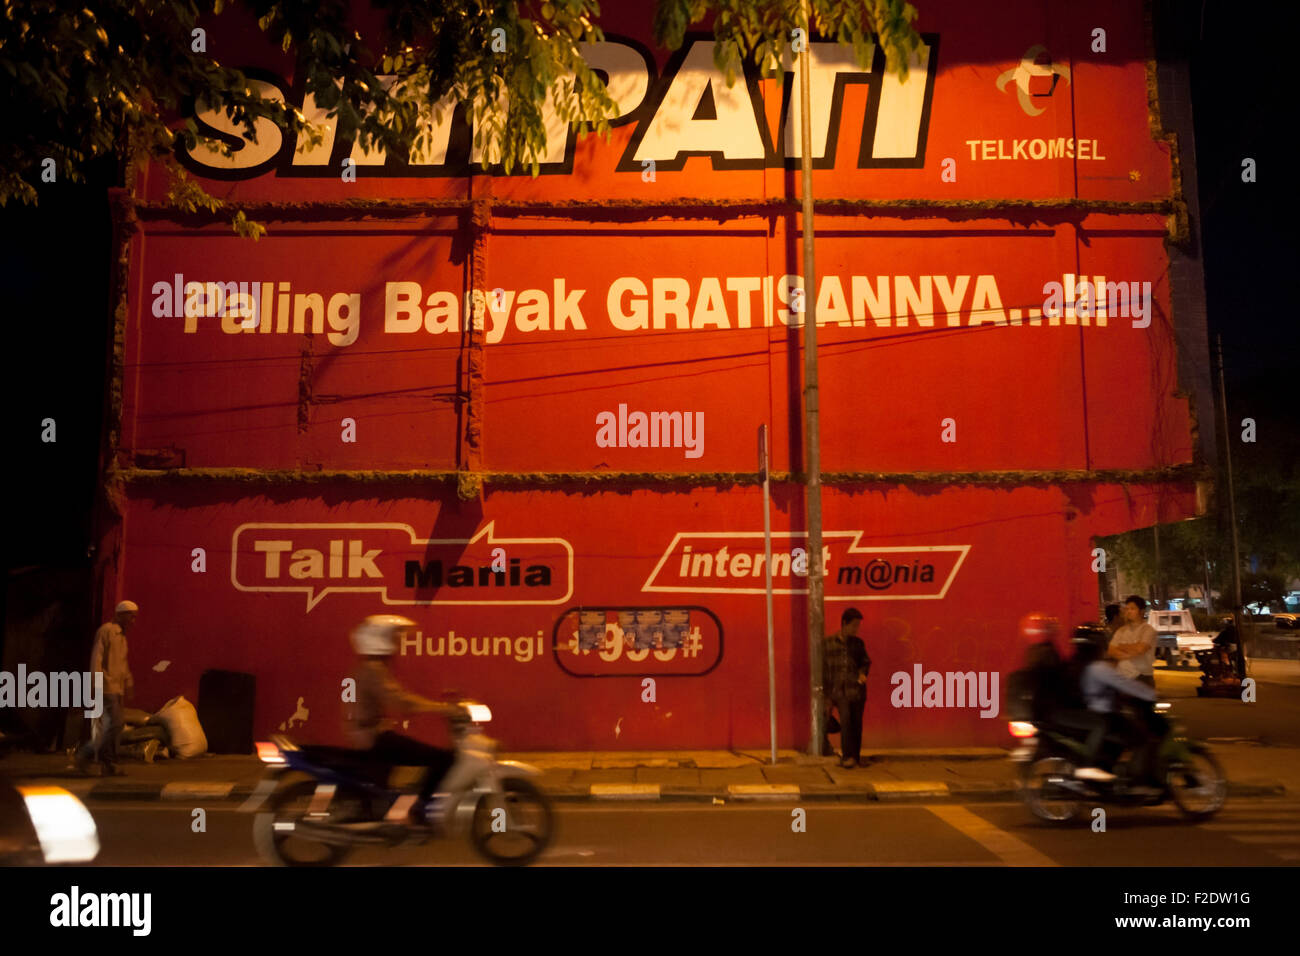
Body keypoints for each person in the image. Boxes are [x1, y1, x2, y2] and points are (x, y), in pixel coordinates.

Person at [347, 614, 463, 827]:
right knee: (442, 759)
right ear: (380, 639)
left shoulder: (369, 668)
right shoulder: (374, 670)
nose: (398, 643)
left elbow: (397, 699)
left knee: (416, 760)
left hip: (371, 734)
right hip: (375, 739)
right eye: (394, 637)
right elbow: (401, 701)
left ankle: (401, 808)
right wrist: (443, 709)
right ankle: (418, 812)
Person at [1070, 623, 1162, 790]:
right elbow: (1125, 684)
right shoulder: (1098, 668)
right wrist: (1152, 694)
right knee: (1141, 738)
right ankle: (1136, 780)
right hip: (1103, 714)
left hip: (1092, 712)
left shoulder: (1079, 664)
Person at [73, 600, 138, 776]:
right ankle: (98, 759)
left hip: (117, 688)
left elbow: (122, 664)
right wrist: (96, 684)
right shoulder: (106, 631)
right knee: (115, 724)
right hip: (106, 686)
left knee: (111, 726)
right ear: (121, 615)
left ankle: (101, 762)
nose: (133, 621)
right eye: (131, 616)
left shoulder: (122, 637)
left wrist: (128, 683)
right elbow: (97, 659)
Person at [822, 608, 870, 768]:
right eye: (854, 625)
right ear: (844, 623)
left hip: (856, 691)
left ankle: (855, 756)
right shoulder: (828, 644)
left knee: (857, 724)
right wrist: (826, 697)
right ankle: (847, 756)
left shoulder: (858, 644)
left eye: (858, 626)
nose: (856, 629)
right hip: (839, 691)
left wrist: (863, 674)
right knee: (847, 722)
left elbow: (865, 661)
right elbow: (824, 670)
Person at [1108, 595, 1157, 688]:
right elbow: (1111, 651)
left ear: (1141, 611)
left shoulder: (1148, 630)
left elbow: (1140, 649)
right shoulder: (1121, 631)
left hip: (1142, 677)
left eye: (1132, 608)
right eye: (1127, 609)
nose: (1128, 611)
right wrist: (1132, 651)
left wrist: (1121, 647)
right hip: (1122, 677)